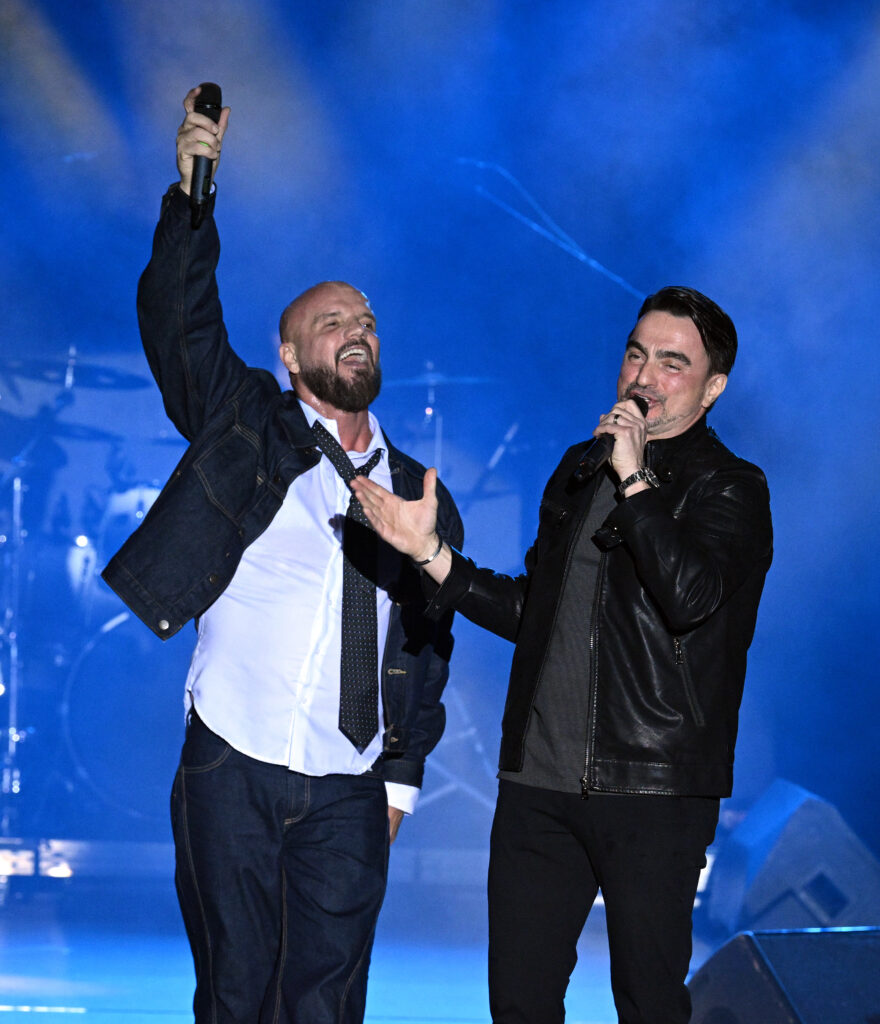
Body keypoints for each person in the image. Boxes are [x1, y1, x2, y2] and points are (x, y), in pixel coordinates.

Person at [101, 86, 463, 1024]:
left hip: (351, 784)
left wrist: (402, 779)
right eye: (332, 322)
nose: (357, 331)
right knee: (236, 995)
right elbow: (180, 324)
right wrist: (193, 196)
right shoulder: (247, 424)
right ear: (290, 355)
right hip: (234, 758)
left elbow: (428, 646)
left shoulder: (420, 493)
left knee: (328, 1004)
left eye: (366, 321)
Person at [351, 286, 773, 1024]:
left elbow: (689, 597)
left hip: (653, 788)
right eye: (636, 355)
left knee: (648, 1002)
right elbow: (533, 611)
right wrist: (431, 554)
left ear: (713, 389)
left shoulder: (731, 486)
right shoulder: (580, 469)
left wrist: (635, 478)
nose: (644, 376)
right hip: (539, 784)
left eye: (671, 363)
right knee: (520, 1001)